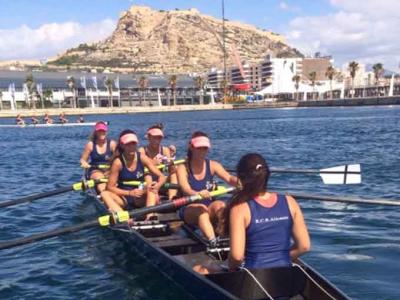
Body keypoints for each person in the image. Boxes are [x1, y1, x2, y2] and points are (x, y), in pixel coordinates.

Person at [228, 153, 310, 272]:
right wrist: (279, 259)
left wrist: (230, 267)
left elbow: (237, 256)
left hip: (252, 277)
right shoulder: (290, 201)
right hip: (284, 271)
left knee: (202, 268)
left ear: (240, 178)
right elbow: (304, 246)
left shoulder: (239, 209)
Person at [176, 131, 238, 245]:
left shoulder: (213, 165)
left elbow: (229, 178)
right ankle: (213, 243)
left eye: (205, 148)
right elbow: (185, 189)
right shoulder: (182, 168)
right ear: (191, 147)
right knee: (201, 210)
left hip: (209, 206)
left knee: (221, 206)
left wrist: (239, 181)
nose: (202, 151)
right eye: (199, 148)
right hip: (189, 208)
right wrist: (197, 193)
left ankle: (227, 238)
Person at [102, 130, 166, 218]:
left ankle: (149, 217)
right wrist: (129, 193)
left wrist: (158, 185)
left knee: (151, 187)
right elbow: (110, 187)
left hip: (139, 197)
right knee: (104, 194)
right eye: (128, 144)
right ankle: (123, 217)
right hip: (124, 198)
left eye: (133, 144)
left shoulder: (142, 157)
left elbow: (161, 176)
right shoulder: (118, 163)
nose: (131, 147)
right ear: (122, 145)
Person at [139, 123, 178, 199]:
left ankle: (172, 200)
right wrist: (154, 162)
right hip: (146, 181)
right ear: (149, 138)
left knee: (174, 173)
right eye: (154, 137)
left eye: (159, 138)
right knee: (148, 174)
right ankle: (153, 196)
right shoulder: (141, 151)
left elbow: (170, 169)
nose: (157, 140)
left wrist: (171, 163)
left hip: (162, 180)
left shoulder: (165, 150)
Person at [80, 121, 116, 192]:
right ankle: (104, 194)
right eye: (99, 131)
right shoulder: (90, 145)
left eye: (103, 131)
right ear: (96, 132)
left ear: (106, 132)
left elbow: (118, 159)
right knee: (99, 177)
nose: (101, 133)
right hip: (95, 170)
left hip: (109, 170)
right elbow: (82, 160)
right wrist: (84, 163)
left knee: (113, 178)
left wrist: (110, 170)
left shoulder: (112, 144)